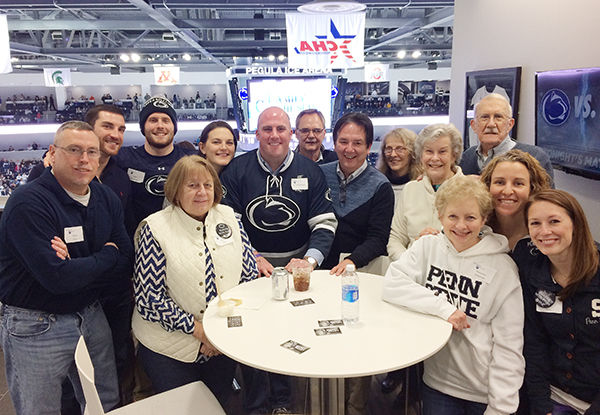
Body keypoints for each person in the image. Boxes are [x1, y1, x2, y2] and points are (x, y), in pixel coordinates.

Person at [0, 121, 132, 414]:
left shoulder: (105, 198)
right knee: (40, 408)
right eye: (74, 150)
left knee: (105, 401)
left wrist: (78, 263)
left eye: (91, 152)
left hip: (90, 313)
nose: (84, 159)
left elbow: (125, 258)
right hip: (35, 323)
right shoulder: (28, 204)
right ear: (53, 153)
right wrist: (104, 256)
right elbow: (57, 278)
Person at [220, 106, 337, 414]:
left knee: (289, 333)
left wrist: (309, 262)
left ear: (291, 134)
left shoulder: (310, 172)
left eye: (281, 129)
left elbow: (324, 224)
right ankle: (256, 404)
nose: (274, 135)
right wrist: (252, 256)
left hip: (294, 272)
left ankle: (283, 402)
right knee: (253, 337)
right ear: (256, 134)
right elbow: (228, 225)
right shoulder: (236, 170)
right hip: (250, 270)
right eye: (267, 129)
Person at [383, 176, 525, 415]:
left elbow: (509, 345)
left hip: (484, 391)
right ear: (440, 217)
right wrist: (444, 309)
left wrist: (501, 407)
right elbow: (392, 284)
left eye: (470, 217)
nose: (461, 226)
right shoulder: (427, 247)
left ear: (484, 218)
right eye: (452, 217)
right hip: (437, 383)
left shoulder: (503, 269)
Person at [132, 155, 258, 406]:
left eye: (207, 185)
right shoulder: (155, 228)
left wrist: (217, 332)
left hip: (221, 341)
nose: (202, 192)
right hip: (169, 347)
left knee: (217, 404)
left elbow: (249, 275)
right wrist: (200, 331)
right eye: (192, 185)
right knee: (186, 408)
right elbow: (149, 298)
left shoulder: (229, 217)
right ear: (176, 190)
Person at [320, 112, 394, 414]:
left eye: (357, 143)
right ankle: (321, 399)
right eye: (343, 141)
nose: (349, 149)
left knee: (355, 344)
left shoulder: (380, 186)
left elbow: (378, 238)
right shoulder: (318, 175)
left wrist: (350, 261)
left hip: (357, 274)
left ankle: (354, 406)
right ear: (334, 142)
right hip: (320, 272)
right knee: (320, 338)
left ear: (368, 146)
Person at [515, 190, 600, 415]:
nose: (545, 231)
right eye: (535, 223)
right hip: (553, 394)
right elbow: (534, 344)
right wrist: (542, 408)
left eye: (554, 221)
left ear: (576, 223)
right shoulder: (531, 269)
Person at [115, 96, 195, 231]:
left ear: (173, 127)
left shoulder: (191, 160)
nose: (160, 126)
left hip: (181, 238)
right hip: (136, 241)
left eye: (166, 120)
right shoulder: (124, 158)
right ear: (143, 126)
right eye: (153, 120)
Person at [387, 123, 464, 261]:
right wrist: (408, 261)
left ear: (454, 155)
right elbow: (395, 239)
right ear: (420, 155)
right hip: (411, 272)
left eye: (442, 152)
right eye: (429, 151)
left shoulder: (470, 191)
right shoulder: (411, 189)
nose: (434, 158)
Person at [460, 93, 554, 182]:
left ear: (510, 124)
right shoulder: (466, 158)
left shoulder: (536, 157)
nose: (491, 124)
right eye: (485, 117)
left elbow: (546, 198)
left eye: (498, 117)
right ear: (473, 125)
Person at [480, 149, 551, 250]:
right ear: (488, 186)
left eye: (518, 183)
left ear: (532, 189)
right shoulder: (476, 230)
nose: (507, 191)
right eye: (500, 182)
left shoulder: (544, 235)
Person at [376, 127, 421, 203]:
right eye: (389, 149)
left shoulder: (421, 185)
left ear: (412, 152)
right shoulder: (377, 186)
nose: (393, 154)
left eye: (400, 149)